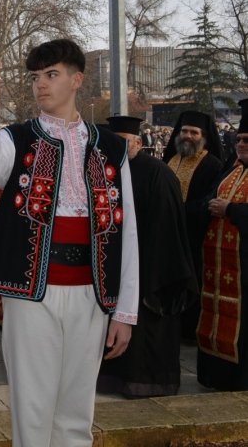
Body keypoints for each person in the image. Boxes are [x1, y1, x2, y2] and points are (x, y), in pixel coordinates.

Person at [0, 40, 138, 447]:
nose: (40, 85)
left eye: (51, 74)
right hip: (31, 294)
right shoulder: (19, 138)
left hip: (92, 293)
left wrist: (124, 312)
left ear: (77, 80)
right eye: (34, 77)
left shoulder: (111, 147)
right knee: (33, 408)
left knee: (77, 413)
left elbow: (126, 231)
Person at [97, 116, 198, 397]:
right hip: (113, 265)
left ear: (139, 143)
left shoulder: (157, 173)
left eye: (124, 141)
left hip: (150, 267)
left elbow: (167, 227)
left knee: (146, 335)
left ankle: (147, 384)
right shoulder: (105, 171)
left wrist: (148, 267)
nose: (117, 147)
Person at [199, 99, 248, 391]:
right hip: (221, 268)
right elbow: (210, 198)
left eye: (247, 140)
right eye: (240, 139)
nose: (241, 144)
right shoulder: (232, 170)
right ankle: (218, 378)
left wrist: (230, 210)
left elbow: (229, 207)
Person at [162, 111, 224, 341]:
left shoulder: (212, 164)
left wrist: (179, 212)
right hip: (168, 233)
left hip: (193, 235)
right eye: (184, 131)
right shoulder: (171, 158)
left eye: (193, 132)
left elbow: (209, 200)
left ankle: (189, 331)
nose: (188, 136)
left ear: (203, 136)